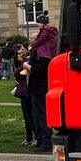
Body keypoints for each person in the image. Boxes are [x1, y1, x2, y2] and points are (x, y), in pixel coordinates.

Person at [29, 12, 59, 151]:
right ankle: (42, 141)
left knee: (41, 115)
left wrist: (27, 66)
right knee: (39, 114)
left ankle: (46, 142)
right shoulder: (49, 34)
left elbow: (37, 70)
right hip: (39, 85)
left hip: (39, 87)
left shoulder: (44, 35)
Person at [13, 48, 36, 146]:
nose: (20, 50)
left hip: (26, 91)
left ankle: (33, 138)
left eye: (23, 48)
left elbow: (17, 73)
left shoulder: (28, 61)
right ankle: (31, 137)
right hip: (28, 90)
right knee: (30, 116)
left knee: (30, 116)